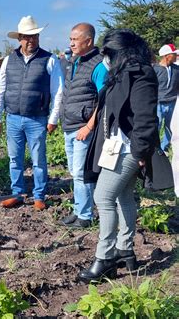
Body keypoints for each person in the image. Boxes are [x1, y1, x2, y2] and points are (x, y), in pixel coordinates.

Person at [80, 29, 159, 282]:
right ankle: (126, 250)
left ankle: (105, 259)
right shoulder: (120, 75)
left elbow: (146, 119)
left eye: (110, 53)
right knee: (123, 197)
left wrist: (140, 154)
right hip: (116, 147)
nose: (107, 58)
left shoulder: (141, 75)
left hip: (129, 149)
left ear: (123, 52)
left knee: (102, 196)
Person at [0, 15, 63, 211]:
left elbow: (58, 90)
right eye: (27, 37)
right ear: (19, 39)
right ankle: (17, 193)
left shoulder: (49, 59)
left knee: (38, 159)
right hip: (13, 117)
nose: (31, 40)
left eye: (34, 36)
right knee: (14, 159)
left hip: (37, 119)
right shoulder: (9, 60)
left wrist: (53, 118)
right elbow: (0, 88)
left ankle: (39, 195)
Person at [60, 23, 108, 228]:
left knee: (81, 172)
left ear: (88, 41)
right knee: (74, 171)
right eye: (70, 39)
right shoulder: (73, 62)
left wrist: (89, 126)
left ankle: (86, 216)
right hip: (69, 126)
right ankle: (79, 209)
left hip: (83, 128)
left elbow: (104, 100)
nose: (71, 43)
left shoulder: (98, 66)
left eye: (75, 39)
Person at [153, 44, 179, 152]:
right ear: (167, 56)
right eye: (174, 54)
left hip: (172, 102)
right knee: (156, 126)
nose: (176, 55)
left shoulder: (177, 69)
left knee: (169, 127)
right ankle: (155, 148)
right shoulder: (155, 69)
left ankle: (164, 148)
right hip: (158, 103)